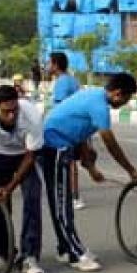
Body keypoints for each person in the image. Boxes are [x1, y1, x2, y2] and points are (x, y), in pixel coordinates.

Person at [40, 73, 137, 272]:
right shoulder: (99, 106)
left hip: (64, 142)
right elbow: (110, 143)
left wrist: (91, 168)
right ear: (117, 93)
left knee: (64, 204)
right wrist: (131, 170)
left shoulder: (94, 95)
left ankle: (65, 248)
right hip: (54, 144)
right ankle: (74, 253)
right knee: (61, 204)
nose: (124, 104)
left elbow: (80, 135)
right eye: (126, 99)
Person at [0, 85, 47, 273]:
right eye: (6, 112)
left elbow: (31, 157)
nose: (12, 115)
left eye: (15, 110)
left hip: (24, 157)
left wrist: (10, 187)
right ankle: (1, 252)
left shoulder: (31, 116)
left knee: (32, 199)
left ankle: (29, 256)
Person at [47, 52, 87, 211]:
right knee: (69, 162)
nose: (47, 66)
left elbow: (61, 107)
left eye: (49, 63)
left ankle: (74, 196)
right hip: (75, 126)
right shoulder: (72, 80)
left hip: (65, 128)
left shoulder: (62, 82)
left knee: (67, 162)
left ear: (56, 65)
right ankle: (70, 194)